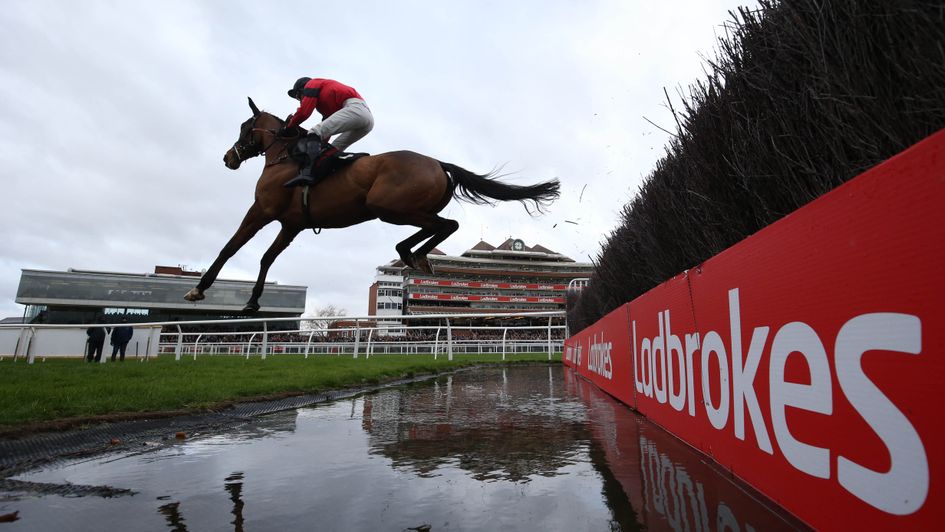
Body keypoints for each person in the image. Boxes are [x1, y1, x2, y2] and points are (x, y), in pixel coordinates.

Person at [278, 77, 374, 188]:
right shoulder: (325, 104)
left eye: (298, 96)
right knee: (332, 148)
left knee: (314, 131)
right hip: (367, 119)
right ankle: (328, 175)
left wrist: (288, 127)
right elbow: (326, 133)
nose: (300, 100)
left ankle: (307, 172)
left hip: (355, 109)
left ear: (302, 90)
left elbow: (304, 112)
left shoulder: (312, 83)